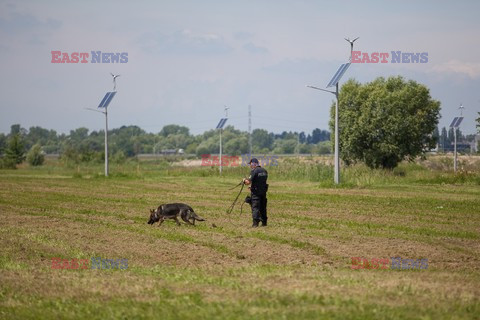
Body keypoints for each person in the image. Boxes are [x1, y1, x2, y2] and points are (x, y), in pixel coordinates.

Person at [243, 158, 268, 227]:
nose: (250, 166)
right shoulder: (264, 171)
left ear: (254, 163)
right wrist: (252, 187)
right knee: (263, 207)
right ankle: (264, 222)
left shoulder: (254, 171)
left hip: (256, 193)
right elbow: (261, 182)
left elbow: (248, 182)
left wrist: (244, 180)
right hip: (263, 192)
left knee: (255, 207)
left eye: (250, 164)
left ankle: (255, 223)